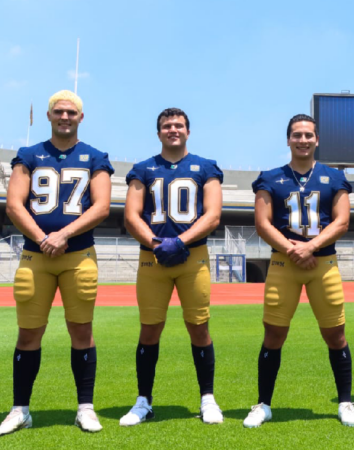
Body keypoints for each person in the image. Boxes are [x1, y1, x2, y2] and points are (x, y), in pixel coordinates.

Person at [0, 90, 113, 436]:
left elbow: (102, 206)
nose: (64, 117)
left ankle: (85, 408)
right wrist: (44, 238)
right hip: (35, 255)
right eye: (58, 111)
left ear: (80, 117)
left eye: (71, 112)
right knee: (28, 333)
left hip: (78, 256)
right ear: (48, 116)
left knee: (81, 331)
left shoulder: (95, 157)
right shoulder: (29, 155)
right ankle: (20, 409)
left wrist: (63, 235)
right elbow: (15, 204)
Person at [242, 114, 354, 428]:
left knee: (336, 335)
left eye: (308, 135)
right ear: (288, 139)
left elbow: (342, 221)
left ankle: (345, 402)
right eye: (297, 135)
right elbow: (262, 223)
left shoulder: (334, 177)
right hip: (284, 263)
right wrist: (293, 249)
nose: (303, 140)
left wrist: (310, 247)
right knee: (274, 334)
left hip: (324, 264)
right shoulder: (271, 177)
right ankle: (263, 404)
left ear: (316, 139)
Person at [120, 108, 225, 426]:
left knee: (199, 327)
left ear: (188, 132)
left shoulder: (205, 167)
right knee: (150, 328)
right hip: (153, 258)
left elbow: (213, 215)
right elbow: (131, 215)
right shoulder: (143, 169)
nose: (173, 130)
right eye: (167, 126)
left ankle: (207, 398)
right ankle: (143, 400)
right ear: (159, 132)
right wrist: (157, 244)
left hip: (192, 257)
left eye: (178, 125)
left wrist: (179, 242)